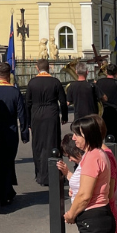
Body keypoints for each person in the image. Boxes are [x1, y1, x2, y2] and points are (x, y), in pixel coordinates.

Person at [63, 116, 117, 233]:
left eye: (77, 134)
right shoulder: (96, 153)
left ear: (87, 135)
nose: (73, 138)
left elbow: (85, 195)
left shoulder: (92, 157)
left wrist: (71, 214)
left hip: (94, 220)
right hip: (98, 218)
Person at [0, 63, 28, 206]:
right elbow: (22, 114)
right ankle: (7, 191)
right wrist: (24, 133)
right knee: (8, 162)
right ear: (8, 74)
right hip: (10, 132)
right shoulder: (14, 92)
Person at [26, 58, 68, 186]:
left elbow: (27, 103)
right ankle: (53, 174)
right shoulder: (55, 82)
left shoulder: (32, 83)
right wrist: (64, 116)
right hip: (52, 115)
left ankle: (40, 175)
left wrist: (28, 122)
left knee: (38, 145)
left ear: (37, 68)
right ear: (49, 68)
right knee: (52, 143)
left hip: (36, 116)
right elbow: (63, 101)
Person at [94, 65, 117, 147]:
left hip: (103, 111)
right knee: (116, 134)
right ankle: (114, 154)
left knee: (103, 133)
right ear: (115, 73)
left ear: (106, 72)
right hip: (116, 112)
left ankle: (105, 151)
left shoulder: (99, 82)